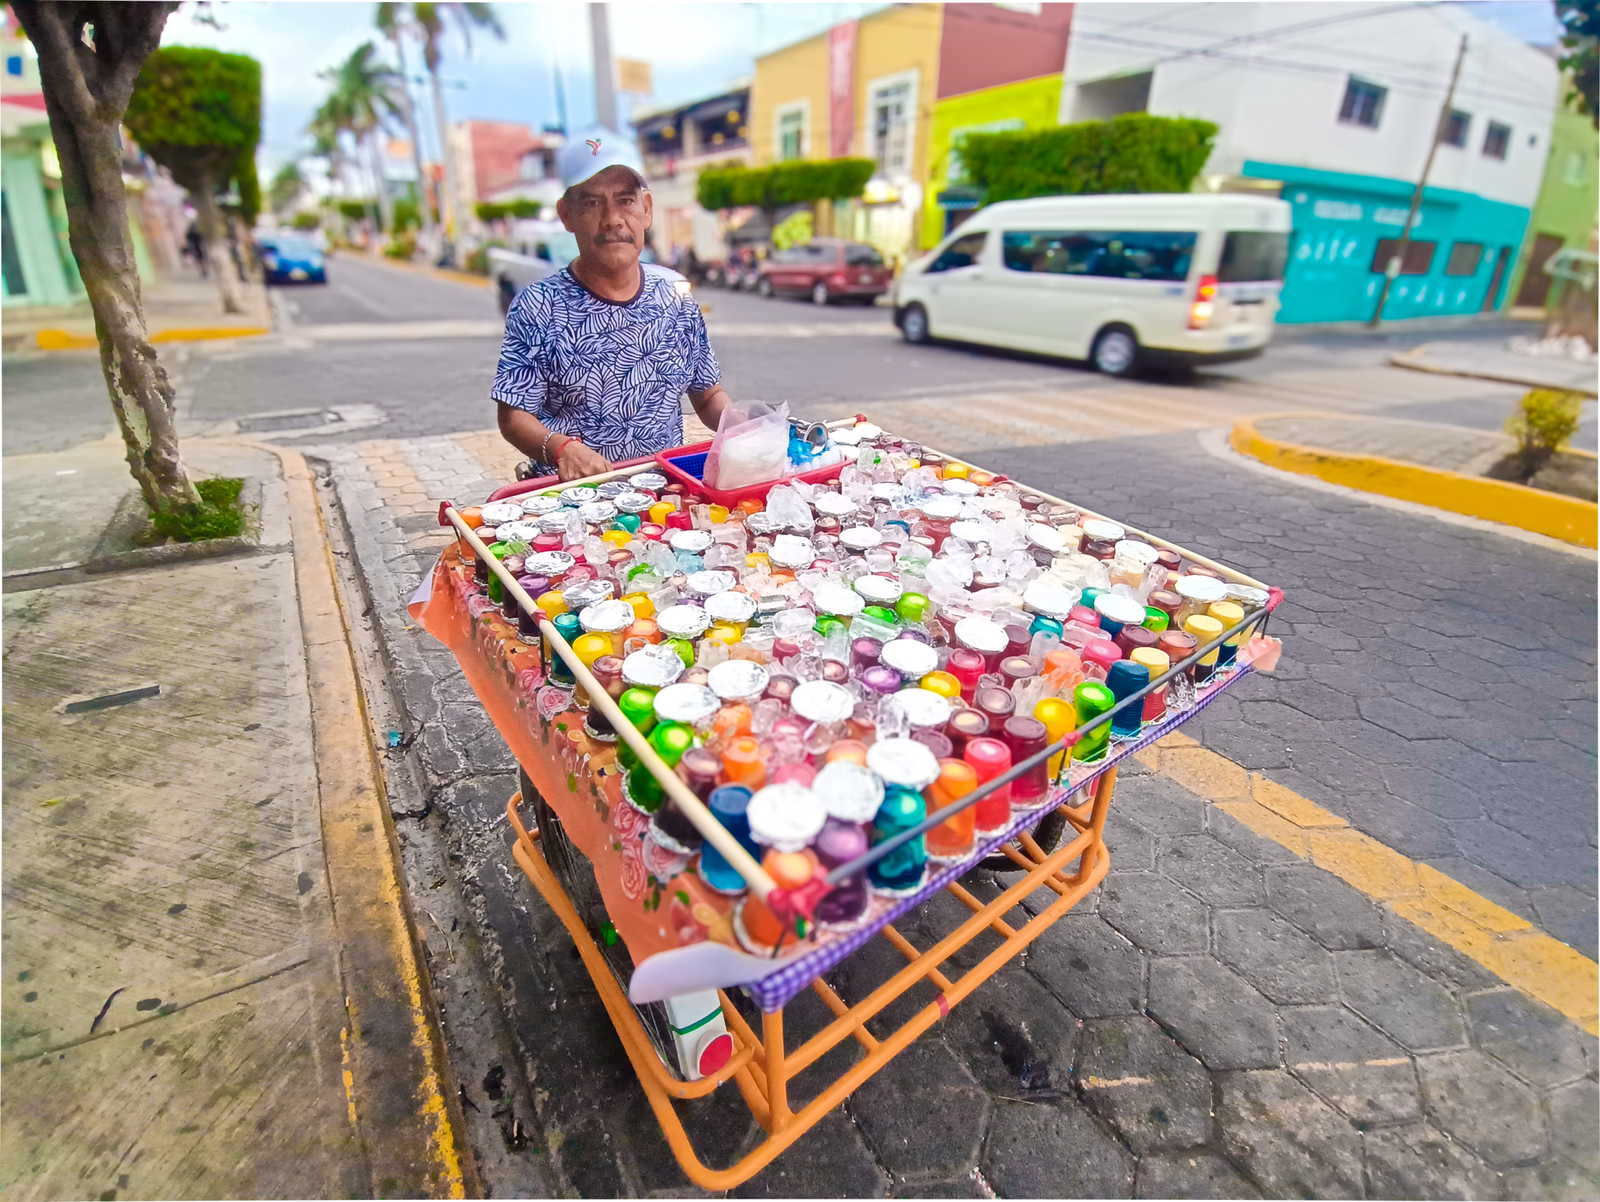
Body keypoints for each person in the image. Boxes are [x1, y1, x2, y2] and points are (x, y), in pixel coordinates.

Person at [492, 128, 733, 481]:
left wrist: (746, 426)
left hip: (665, 491)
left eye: (626, 200)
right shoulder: (537, 307)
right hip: (577, 501)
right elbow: (513, 416)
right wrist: (560, 448)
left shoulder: (676, 295)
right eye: (591, 203)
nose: (612, 219)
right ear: (566, 214)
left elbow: (709, 396)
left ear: (646, 209)